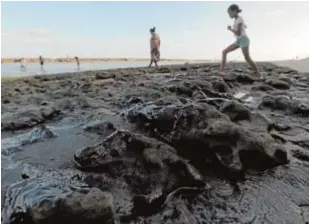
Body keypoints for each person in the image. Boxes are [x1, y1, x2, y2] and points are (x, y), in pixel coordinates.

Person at [220, 4, 261, 78]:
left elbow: (238, 33)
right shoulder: (237, 20)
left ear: (235, 11)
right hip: (239, 40)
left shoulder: (239, 19)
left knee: (247, 58)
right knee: (224, 52)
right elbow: (242, 28)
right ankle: (221, 71)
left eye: (230, 13)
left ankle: (258, 74)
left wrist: (230, 29)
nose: (229, 14)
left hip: (244, 40)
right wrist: (244, 26)